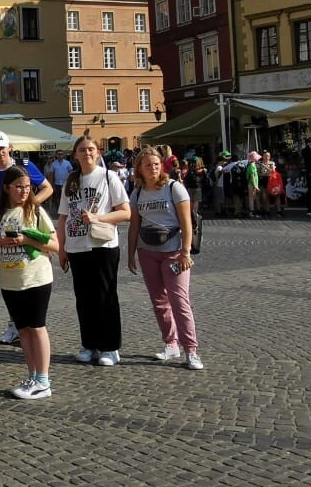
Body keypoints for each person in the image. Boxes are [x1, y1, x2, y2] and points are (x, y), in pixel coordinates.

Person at [0, 166, 59, 399]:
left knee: (36, 326)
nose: (24, 191)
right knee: (22, 330)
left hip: (36, 277)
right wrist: (0, 243)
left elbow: (55, 245)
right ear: (7, 188)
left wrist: (27, 240)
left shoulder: (35, 211)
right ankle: (33, 375)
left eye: (27, 187)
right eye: (18, 187)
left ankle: (43, 380)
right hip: (10, 280)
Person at [127, 147, 203, 371]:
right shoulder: (137, 193)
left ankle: (191, 350)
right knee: (159, 301)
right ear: (139, 168)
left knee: (179, 300)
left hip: (174, 251)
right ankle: (171, 343)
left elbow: (186, 223)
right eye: (148, 165)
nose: (153, 168)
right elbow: (134, 227)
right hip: (147, 252)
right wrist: (131, 254)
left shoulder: (174, 188)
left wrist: (185, 252)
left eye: (156, 164)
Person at [57, 135, 130, 367]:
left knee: (105, 296)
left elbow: (125, 212)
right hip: (76, 246)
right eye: (82, 150)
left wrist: (98, 218)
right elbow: (63, 217)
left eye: (91, 149)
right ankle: (89, 344)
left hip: (103, 245)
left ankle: (110, 347)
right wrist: (61, 248)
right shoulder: (71, 180)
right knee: (83, 298)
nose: (87, 153)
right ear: (75, 154)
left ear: (98, 153)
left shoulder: (109, 177)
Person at [0, 131, 54, 208]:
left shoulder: (24, 166)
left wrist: (30, 205)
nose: (0, 152)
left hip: (24, 213)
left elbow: (48, 188)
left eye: (2, 147)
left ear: (10, 147)